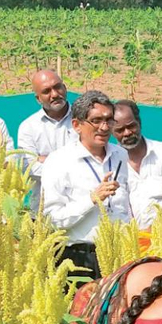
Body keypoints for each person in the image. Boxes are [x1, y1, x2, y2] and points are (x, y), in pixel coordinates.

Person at [42, 90, 131, 281]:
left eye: (109, 120)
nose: (104, 127)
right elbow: (51, 218)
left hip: (118, 254)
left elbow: (124, 207)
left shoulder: (120, 155)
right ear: (77, 125)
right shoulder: (59, 161)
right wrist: (92, 199)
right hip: (78, 259)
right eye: (96, 120)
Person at [112, 99, 162, 231]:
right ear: (112, 131)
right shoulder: (111, 164)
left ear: (139, 122)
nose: (127, 133)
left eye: (131, 126)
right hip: (130, 244)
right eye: (120, 130)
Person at [18, 69, 76, 213]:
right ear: (38, 98)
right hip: (43, 209)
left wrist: (47, 159)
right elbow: (29, 166)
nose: (55, 94)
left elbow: (91, 157)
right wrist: (72, 166)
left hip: (81, 205)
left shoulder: (83, 119)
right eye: (47, 91)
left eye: (58, 87)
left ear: (65, 88)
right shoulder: (28, 127)